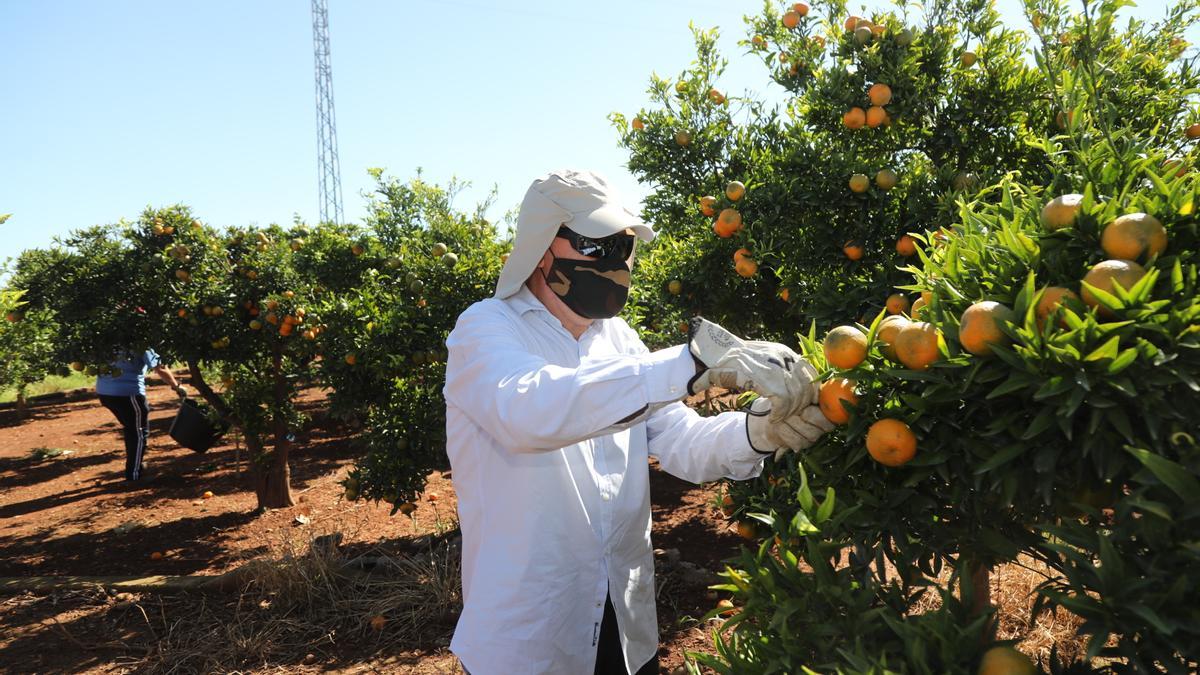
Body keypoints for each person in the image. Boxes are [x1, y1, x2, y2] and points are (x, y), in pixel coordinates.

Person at [443, 169, 835, 675]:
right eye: (595, 244)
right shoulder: (485, 329)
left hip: (626, 625)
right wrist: (695, 363)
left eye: (623, 246)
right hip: (531, 636)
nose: (615, 261)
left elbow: (679, 439)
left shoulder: (619, 339)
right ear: (541, 248)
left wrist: (760, 432)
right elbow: (530, 410)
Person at [95, 348, 186, 482]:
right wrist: (176, 386)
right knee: (138, 432)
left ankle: (136, 466)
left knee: (132, 429)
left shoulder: (108, 340)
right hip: (128, 394)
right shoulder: (141, 344)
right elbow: (159, 368)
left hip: (104, 392)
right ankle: (134, 474)